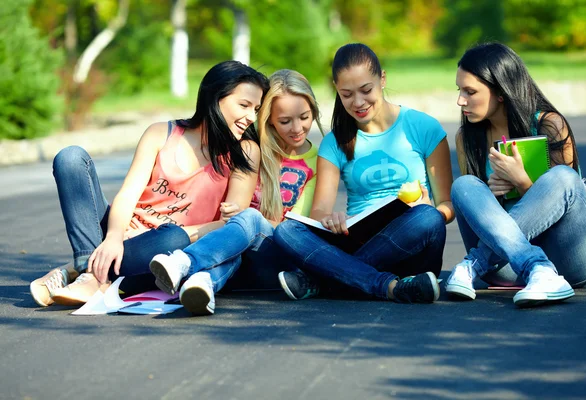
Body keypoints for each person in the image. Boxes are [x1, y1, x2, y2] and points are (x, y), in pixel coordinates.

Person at [29, 61, 269, 307]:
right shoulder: (161, 133)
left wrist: (149, 234)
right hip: (118, 234)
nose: (251, 117)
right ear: (215, 97)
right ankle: (90, 273)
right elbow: (127, 195)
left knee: (172, 238)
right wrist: (113, 237)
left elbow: (230, 224)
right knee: (70, 158)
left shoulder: (245, 151)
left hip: (163, 252)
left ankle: (80, 273)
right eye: (244, 105)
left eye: (256, 109)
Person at [273, 43, 455, 304]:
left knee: (427, 218)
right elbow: (319, 213)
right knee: (286, 231)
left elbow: (447, 205)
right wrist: (331, 219)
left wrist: (433, 209)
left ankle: (327, 282)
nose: (358, 103)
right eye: (346, 94)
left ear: (382, 79)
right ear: (337, 90)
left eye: (366, 90)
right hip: (358, 239)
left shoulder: (423, 127)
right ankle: (389, 286)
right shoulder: (335, 142)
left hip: (412, 245)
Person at [147, 69, 324, 315]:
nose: (297, 128)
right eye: (285, 121)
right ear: (268, 119)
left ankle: (184, 262)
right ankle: (202, 284)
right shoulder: (250, 148)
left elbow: (296, 228)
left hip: (275, 254)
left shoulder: (319, 161)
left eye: (304, 117)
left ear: (314, 112)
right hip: (229, 248)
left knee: (249, 219)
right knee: (237, 231)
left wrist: (241, 219)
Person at [446, 42, 586, 307]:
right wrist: (491, 194)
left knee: (563, 177)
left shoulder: (549, 124)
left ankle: (475, 264)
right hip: (505, 265)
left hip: (568, 261)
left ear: (501, 92)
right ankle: (534, 267)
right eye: (459, 90)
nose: (461, 100)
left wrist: (522, 182)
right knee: (464, 186)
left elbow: (568, 201)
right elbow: (480, 217)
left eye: (470, 91)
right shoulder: (467, 139)